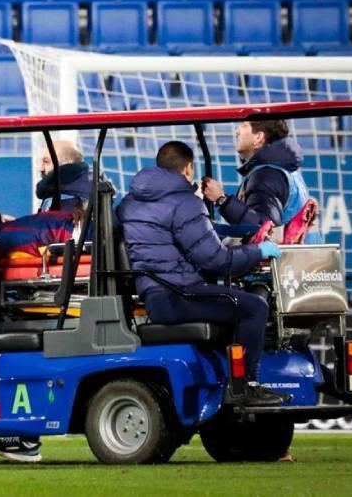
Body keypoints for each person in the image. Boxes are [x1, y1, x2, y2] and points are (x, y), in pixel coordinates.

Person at [116, 141, 286, 406]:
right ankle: (244, 387)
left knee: (234, 301)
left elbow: (171, 233)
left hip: (155, 295)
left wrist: (235, 233)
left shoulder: (129, 202)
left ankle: (225, 383)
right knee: (254, 307)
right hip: (179, 294)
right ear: (188, 168)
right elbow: (216, 260)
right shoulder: (185, 203)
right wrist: (258, 252)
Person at [0, 140, 91, 463]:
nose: (41, 167)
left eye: (47, 161)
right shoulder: (77, 200)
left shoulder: (69, 206)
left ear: (66, 165)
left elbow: (36, 234)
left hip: (56, 300)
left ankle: (18, 430)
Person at [201, 119, 318, 243]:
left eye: (244, 126)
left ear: (258, 138)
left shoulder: (266, 174)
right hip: (306, 258)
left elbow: (264, 230)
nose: (237, 131)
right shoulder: (286, 170)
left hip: (288, 261)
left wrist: (222, 200)